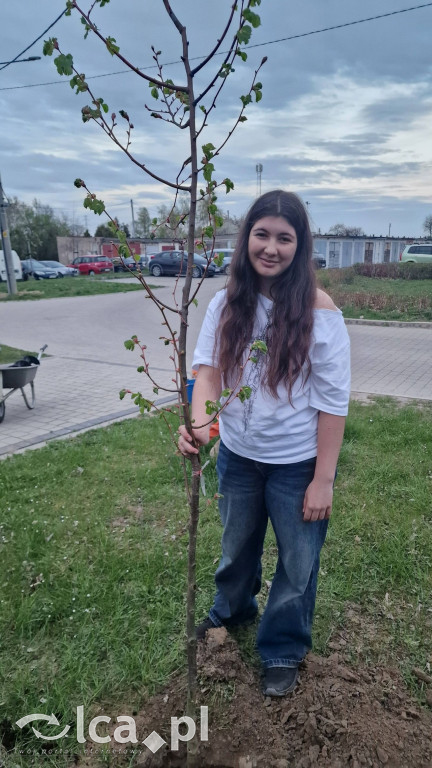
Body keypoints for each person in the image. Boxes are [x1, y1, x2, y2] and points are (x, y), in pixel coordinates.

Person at [178, 190, 350, 697]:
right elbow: (208, 374)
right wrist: (201, 427)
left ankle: (282, 647)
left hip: (297, 464)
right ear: (246, 238)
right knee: (235, 548)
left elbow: (333, 403)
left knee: (298, 563)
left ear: (300, 245)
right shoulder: (227, 302)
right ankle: (232, 610)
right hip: (238, 457)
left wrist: (323, 479)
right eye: (262, 234)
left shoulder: (320, 312)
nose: (271, 248)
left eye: (284, 238)